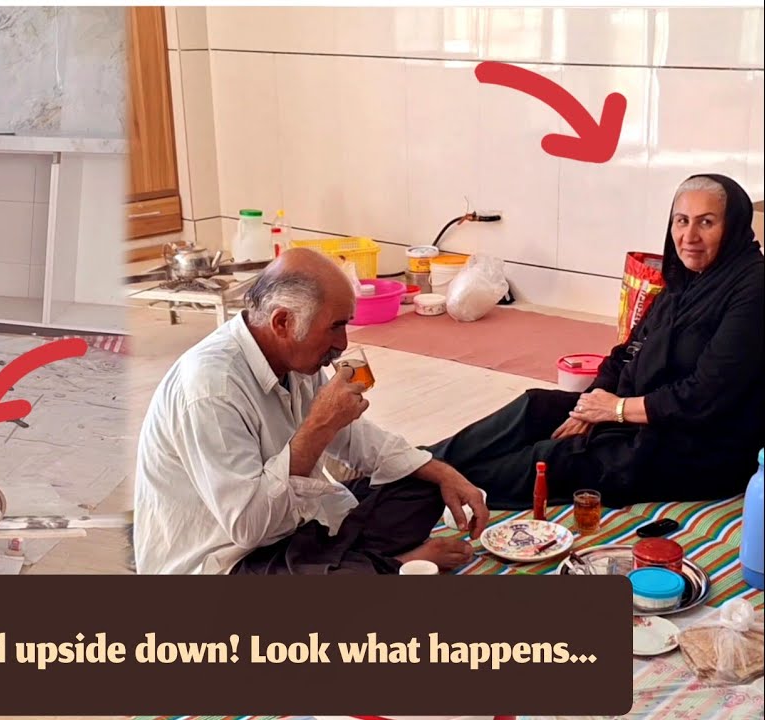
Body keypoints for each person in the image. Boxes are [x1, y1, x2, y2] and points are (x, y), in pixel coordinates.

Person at [133, 248, 489, 576]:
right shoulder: (211, 388)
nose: (343, 343)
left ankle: (361, 564)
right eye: (335, 326)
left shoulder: (294, 358)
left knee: (419, 483)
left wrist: (440, 471)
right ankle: (390, 565)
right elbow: (248, 528)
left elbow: (356, 439)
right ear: (283, 323)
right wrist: (319, 425)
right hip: (227, 560)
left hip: (297, 531)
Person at [428, 174, 764, 510]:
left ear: (732, 225)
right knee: (535, 408)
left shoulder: (752, 287)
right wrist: (591, 405)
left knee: (550, 457)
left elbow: (706, 395)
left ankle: (435, 488)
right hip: (635, 411)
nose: (689, 236)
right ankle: (419, 464)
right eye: (681, 221)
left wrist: (615, 410)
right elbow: (627, 353)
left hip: (699, 445)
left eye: (706, 222)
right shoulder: (686, 279)